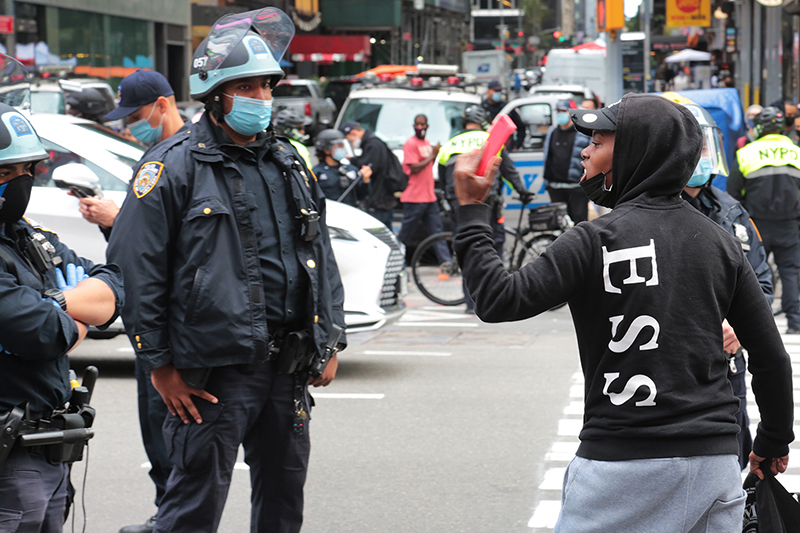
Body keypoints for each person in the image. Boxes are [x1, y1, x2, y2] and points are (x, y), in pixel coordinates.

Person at [452, 93, 794, 530]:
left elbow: (497, 299)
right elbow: (770, 358)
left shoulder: (594, 240)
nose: (585, 151)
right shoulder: (719, 241)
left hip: (622, 465)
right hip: (714, 462)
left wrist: (470, 212)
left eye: (598, 140)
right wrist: (772, 440)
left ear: (637, 151)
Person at [107, 9, 345, 533]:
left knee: (284, 507)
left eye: (266, 85)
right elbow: (134, 271)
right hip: (212, 375)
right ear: (215, 94)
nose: (262, 97)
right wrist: (159, 366)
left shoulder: (288, 161)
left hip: (289, 368)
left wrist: (331, 340)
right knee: (191, 511)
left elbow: (319, 255)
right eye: (248, 87)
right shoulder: (171, 167)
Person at [0, 98, 123, 532]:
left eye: (25, 171)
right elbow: (41, 332)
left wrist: (59, 303)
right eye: (4, 173)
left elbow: (112, 283)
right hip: (10, 456)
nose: (20, 184)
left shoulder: (25, 235)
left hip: (50, 445)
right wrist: (73, 305)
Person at [73, 69, 186, 533]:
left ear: (163, 103)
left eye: (137, 114)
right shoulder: (154, 155)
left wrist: (117, 218)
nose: (130, 125)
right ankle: (168, 512)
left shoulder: (187, 158)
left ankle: (175, 516)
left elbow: (181, 243)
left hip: (176, 318)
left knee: (172, 426)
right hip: (148, 313)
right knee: (156, 428)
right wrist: (112, 223)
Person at [675, 100, 773, 469]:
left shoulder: (732, 211)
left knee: (733, 452)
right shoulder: (648, 211)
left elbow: (761, 280)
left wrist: (738, 327)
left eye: (703, 146)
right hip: (674, 367)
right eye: (691, 146)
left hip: (728, 362)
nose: (699, 155)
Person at [437, 105, 533, 312]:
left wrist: (448, 202)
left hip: (459, 206)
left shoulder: (450, 143)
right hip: (487, 204)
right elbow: (508, 171)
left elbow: (441, 179)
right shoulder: (490, 140)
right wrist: (523, 191)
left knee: (466, 248)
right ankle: (490, 298)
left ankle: (470, 303)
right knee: (491, 247)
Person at [728, 106, 800, 334]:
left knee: (755, 273)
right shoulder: (796, 152)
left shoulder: (746, 153)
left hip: (756, 225)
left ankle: (756, 324)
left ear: (759, 127)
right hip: (790, 223)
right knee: (790, 272)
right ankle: (795, 323)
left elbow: (733, 192)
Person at [397, 114, 450, 268]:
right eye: (417, 124)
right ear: (414, 125)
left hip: (429, 196)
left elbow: (427, 166)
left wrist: (435, 154)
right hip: (414, 198)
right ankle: (396, 261)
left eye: (423, 125)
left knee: (437, 232)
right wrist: (432, 155)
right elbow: (414, 168)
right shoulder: (410, 144)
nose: (420, 127)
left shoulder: (426, 143)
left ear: (427, 126)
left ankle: (445, 262)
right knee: (405, 235)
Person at [341, 120, 404, 229]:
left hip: (380, 201)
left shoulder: (373, 145)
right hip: (383, 200)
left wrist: (352, 161)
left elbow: (369, 167)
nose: (350, 143)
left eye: (349, 140)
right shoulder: (372, 143)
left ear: (353, 133)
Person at [542, 99, 591, 223]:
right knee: (559, 223)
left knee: (579, 221)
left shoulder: (582, 133)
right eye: (558, 111)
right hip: (555, 187)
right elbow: (548, 155)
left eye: (563, 111)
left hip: (576, 188)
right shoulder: (552, 131)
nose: (561, 114)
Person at [312, 128, 371, 207]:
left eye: (343, 146)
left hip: (351, 211)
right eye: (338, 146)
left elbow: (361, 195)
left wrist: (365, 180)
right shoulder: (317, 172)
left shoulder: (351, 169)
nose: (342, 149)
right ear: (326, 150)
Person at [481, 79, 525, 150]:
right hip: (488, 148)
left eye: (499, 91)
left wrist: (517, 145)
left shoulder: (507, 107)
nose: (498, 93)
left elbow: (521, 126)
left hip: (506, 148)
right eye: (496, 91)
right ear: (488, 91)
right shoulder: (482, 107)